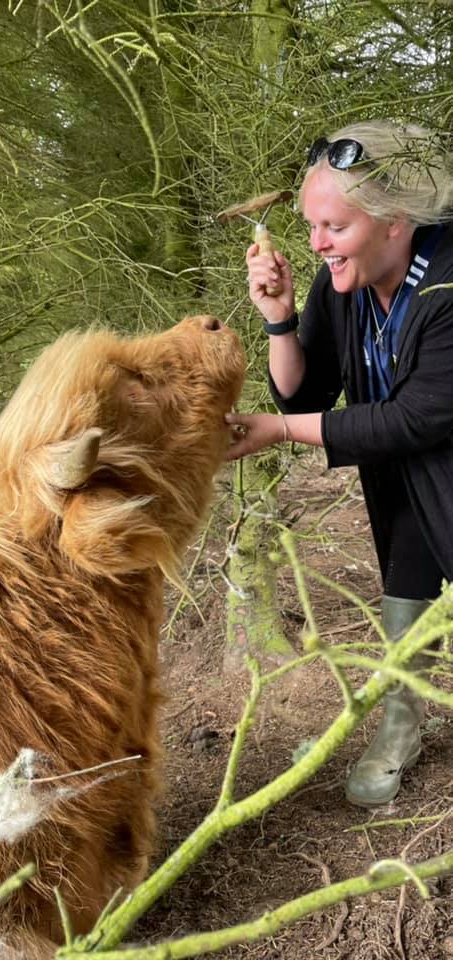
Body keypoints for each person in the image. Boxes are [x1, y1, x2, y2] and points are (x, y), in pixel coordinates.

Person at [226, 121, 453, 808]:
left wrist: (278, 432)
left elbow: (419, 414)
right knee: (406, 584)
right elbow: (305, 392)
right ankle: (399, 728)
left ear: (395, 223)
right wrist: (278, 318)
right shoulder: (341, 286)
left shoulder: (448, 285)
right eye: (311, 225)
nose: (318, 244)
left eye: (335, 227)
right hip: (402, 474)